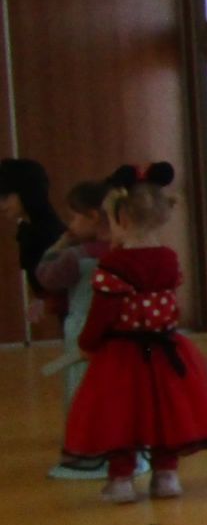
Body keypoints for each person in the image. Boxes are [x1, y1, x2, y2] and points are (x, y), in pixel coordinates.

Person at [64, 164, 207, 504]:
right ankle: (166, 475)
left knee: (119, 416)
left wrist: (87, 344)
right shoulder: (168, 258)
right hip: (166, 350)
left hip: (123, 355)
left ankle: (121, 480)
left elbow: (102, 314)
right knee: (164, 412)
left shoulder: (115, 265)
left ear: (123, 219)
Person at [37, 178, 113, 477]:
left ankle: (85, 451)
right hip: (115, 332)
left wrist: (58, 245)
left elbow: (46, 276)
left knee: (81, 390)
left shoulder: (75, 255)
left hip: (82, 330)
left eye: (74, 217)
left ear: (92, 216)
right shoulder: (122, 250)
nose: (71, 224)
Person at [1, 157, 66, 330]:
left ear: (27, 192)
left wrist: (45, 298)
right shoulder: (29, 228)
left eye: (5, 197)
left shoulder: (48, 232)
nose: (1, 205)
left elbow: (62, 282)